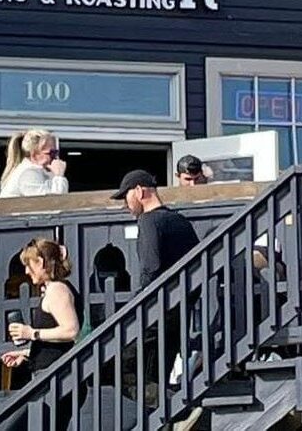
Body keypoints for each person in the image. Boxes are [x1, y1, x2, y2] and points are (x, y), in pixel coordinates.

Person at [112, 170, 200, 419]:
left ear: (139, 191)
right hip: (178, 311)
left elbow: (150, 266)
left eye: (126, 196)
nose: (125, 205)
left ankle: (183, 406)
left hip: (155, 312)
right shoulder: (181, 221)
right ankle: (174, 411)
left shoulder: (149, 221)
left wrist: (140, 302)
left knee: (125, 369)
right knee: (157, 374)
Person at [2, 238, 83, 430]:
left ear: (41, 262)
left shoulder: (57, 290)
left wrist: (31, 333)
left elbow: (71, 330)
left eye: (29, 265)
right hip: (52, 378)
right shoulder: (54, 290)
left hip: (56, 380)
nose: (26, 271)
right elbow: (58, 344)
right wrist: (26, 354)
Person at [0, 129, 68, 198]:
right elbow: (54, 204)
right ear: (34, 155)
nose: (54, 157)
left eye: (55, 152)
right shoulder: (28, 173)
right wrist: (59, 176)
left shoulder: (40, 172)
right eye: (51, 153)